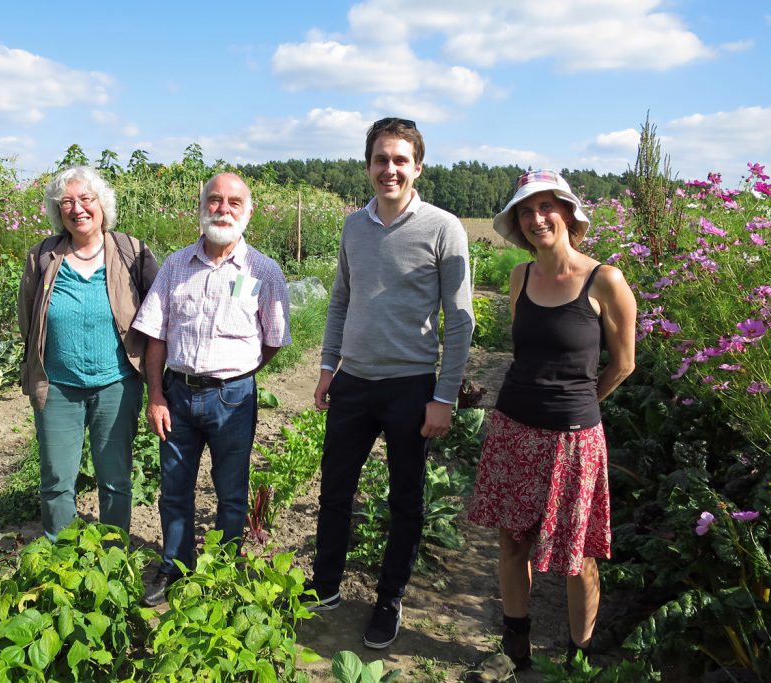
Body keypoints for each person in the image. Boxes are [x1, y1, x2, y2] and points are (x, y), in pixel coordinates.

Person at [307, 117, 475, 649]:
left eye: (400, 160)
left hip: (410, 386)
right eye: (381, 159)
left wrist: (443, 397)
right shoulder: (354, 226)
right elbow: (341, 299)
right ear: (368, 166)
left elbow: (461, 319)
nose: (390, 170)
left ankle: (388, 599)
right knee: (335, 490)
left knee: (406, 499)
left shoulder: (444, 229)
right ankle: (326, 585)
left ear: (417, 167)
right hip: (353, 381)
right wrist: (327, 366)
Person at [467, 169, 637, 670]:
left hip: (572, 439)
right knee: (512, 540)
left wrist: (583, 403)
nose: (537, 218)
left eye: (547, 207)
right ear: (517, 223)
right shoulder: (520, 277)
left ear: (568, 213)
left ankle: (576, 658)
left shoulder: (605, 279)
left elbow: (624, 363)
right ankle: (515, 644)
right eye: (526, 210)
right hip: (513, 427)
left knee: (576, 554)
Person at [132, 172, 291, 607]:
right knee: (175, 489)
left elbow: (273, 339)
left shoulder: (263, 271)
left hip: (234, 398)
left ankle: (221, 571)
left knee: (231, 492)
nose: (223, 209)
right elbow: (156, 336)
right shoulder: (175, 266)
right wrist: (157, 396)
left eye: (234, 202)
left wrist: (235, 374)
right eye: (215, 200)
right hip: (177, 396)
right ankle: (176, 567)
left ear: (249, 212)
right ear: (201, 207)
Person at [18, 166, 158, 542]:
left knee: (115, 479)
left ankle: (113, 557)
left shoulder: (131, 251)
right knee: (56, 481)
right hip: (58, 387)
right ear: (57, 211)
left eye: (85, 199)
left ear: (101, 205)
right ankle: (59, 558)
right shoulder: (43, 258)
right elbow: (28, 320)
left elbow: (156, 315)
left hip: (116, 385)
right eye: (66, 202)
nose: (77, 209)